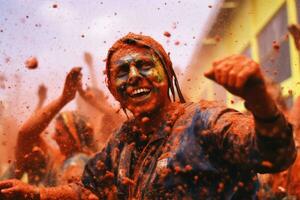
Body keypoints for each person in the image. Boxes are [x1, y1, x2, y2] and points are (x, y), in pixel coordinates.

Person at [0, 33, 296, 199]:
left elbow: (276, 155)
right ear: (114, 91)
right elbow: (86, 188)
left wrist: (258, 98)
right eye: (121, 72)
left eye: (143, 65)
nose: (133, 77)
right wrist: (36, 194)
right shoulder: (122, 141)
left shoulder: (204, 121)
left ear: (165, 74)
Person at [6, 67, 96, 187]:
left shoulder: (77, 161)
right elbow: (26, 135)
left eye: (59, 133)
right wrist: (63, 98)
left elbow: (25, 135)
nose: (53, 137)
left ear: (74, 137)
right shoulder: (62, 159)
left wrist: (63, 99)